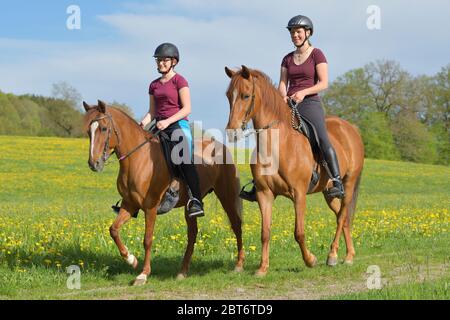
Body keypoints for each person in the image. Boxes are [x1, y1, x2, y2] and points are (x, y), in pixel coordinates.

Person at [240, 15, 345, 201]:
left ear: (308, 33)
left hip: (310, 103)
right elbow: (282, 83)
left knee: (320, 136)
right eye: (292, 32)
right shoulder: (287, 58)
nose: (295, 35)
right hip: (288, 104)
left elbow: (324, 83)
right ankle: (260, 183)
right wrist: (283, 97)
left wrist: (304, 93)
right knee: (268, 134)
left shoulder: (317, 54)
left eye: (298, 32)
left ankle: (336, 180)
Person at [139, 43, 205, 217]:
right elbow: (152, 111)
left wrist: (168, 121)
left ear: (174, 61)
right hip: (159, 125)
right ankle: (135, 198)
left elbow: (187, 108)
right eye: (158, 60)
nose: (160, 63)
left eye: (164, 60)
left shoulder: (179, 81)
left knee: (183, 159)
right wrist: (143, 123)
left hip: (177, 124)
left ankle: (196, 200)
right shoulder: (154, 85)